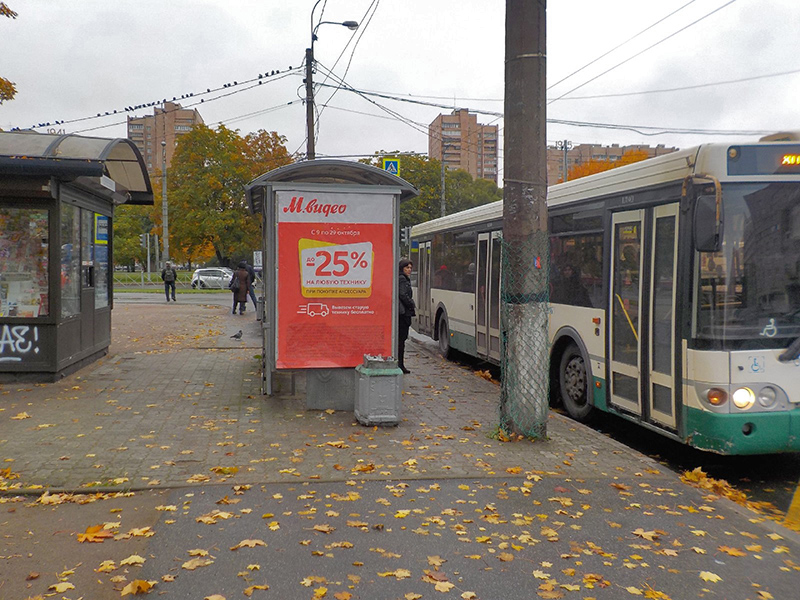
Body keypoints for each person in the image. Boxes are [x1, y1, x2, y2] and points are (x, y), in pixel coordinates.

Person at [398, 258, 416, 374]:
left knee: (401, 340)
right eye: (407, 267)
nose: (409, 270)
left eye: (410, 268)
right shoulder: (402, 279)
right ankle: (400, 365)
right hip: (403, 314)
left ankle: (400, 364)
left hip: (403, 313)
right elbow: (403, 294)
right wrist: (411, 304)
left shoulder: (403, 278)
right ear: (402, 268)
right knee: (401, 340)